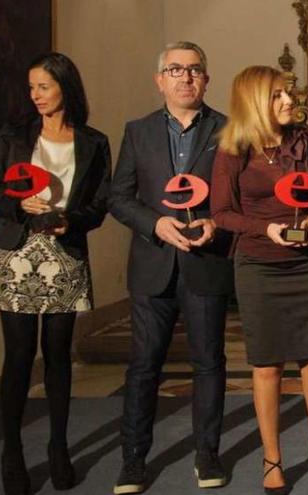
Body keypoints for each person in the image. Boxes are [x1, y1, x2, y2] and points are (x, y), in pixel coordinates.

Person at [108, 41, 232, 494]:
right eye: (175, 69)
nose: (185, 77)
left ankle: (208, 453)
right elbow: (118, 196)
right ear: (160, 79)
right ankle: (133, 460)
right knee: (143, 366)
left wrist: (216, 222)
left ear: (206, 78)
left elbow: (240, 197)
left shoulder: (230, 130)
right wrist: (155, 223)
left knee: (208, 364)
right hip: (153, 265)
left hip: (206, 262)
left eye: (195, 69)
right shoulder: (137, 131)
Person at [210, 65, 308, 494]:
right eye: (277, 95)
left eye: (289, 93)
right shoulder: (234, 149)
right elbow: (222, 213)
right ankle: (272, 459)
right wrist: (263, 229)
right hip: (258, 264)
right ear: (254, 101)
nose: (289, 101)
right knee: (266, 366)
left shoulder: (307, 141)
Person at [0, 51, 110, 495]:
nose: (35, 95)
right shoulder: (14, 135)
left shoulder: (94, 141)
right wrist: (16, 204)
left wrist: (71, 221)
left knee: (58, 356)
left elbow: (99, 204)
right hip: (17, 253)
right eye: (31, 87)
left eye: (43, 86)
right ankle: (13, 454)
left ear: (65, 85)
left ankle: (59, 449)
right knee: (20, 357)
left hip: (65, 252)